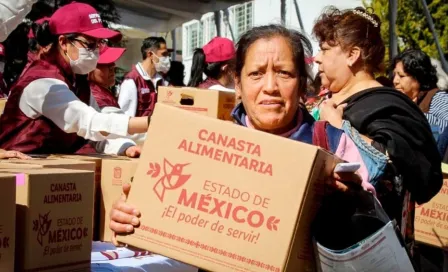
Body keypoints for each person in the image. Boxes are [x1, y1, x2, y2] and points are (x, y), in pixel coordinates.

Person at [108, 24, 374, 242]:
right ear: (238, 84)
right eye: (256, 74)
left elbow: (372, 221)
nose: (270, 86)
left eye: (284, 73)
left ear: (302, 83)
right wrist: (133, 215)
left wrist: (351, 201)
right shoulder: (201, 147)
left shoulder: (333, 144)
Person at [313, 6, 442, 255]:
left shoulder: (387, 105)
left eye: (326, 49)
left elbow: (394, 169)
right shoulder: (334, 100)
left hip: (371, 251)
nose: (318, 57)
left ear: (352, 55)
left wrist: (340, 127)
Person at [0, 2, 149, 154]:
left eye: (99, 44)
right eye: (90, 44)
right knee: (21, 179)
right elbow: (87, 122)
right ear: (64, 43)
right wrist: (149, 123)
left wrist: (126, 147)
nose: (96, 52)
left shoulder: (78, 80)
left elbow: (94, 134)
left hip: (50, 172)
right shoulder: (43, 83)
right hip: (17, 171)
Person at [391, 49, 448, 133]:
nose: (395, 81)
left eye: (401, 76)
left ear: (418, 77)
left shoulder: (438, 98)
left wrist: (412, 112)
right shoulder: (396, 100)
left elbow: (445, 128)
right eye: (394, 75)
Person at [118, 37, 170, 117]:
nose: (167, 58)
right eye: (164, 54)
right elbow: (123, 115)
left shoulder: (162, 81)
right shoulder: (132, 80)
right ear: (150, 54)